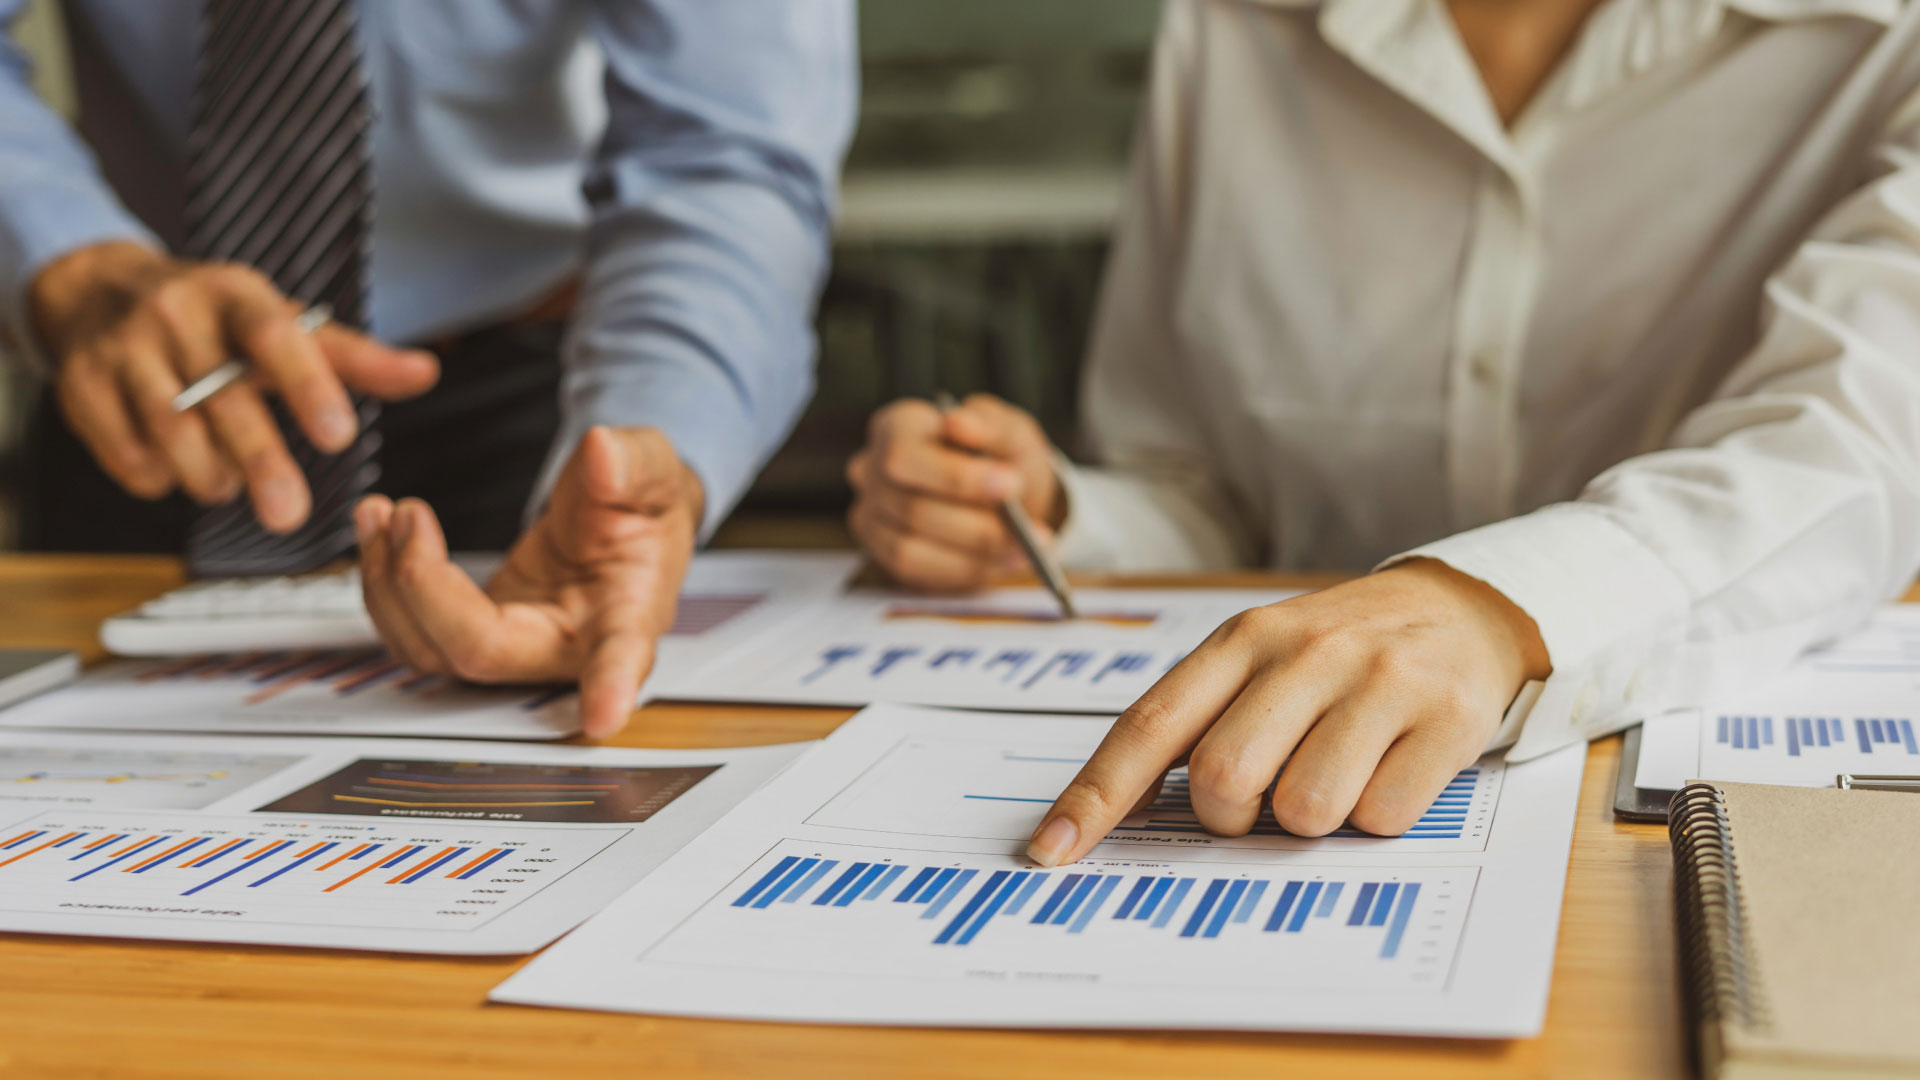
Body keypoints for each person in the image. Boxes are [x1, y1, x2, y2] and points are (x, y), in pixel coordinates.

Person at [847, 0, 1920, 865]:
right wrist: (1055, 519)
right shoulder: (1230, 27)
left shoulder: (1883, 39)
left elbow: (1855, 447)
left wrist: (1497, 614)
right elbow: (1203, 489)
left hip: (1660, 812)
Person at [2, 1, 855, 735]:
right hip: (148, 379)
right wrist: (66, 260)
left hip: (546, 399)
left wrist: (653, 438)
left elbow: (723, 152)